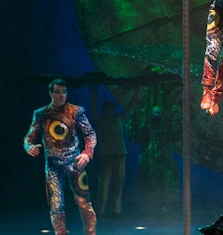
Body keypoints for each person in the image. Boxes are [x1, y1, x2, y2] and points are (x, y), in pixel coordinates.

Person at [23, 79, 97, 235]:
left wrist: (87, 153)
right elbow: (29, 138)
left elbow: (90, 134)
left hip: (75, 162)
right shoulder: (41, 114)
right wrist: (29, 147)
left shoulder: (76, 111)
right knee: (56, 205)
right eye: (57, 92)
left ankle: (90, 233)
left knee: (84, 202)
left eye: (64, 92)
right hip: (53, 166)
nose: (61, 95)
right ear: (50, 93)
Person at [90, 86, 140, 217]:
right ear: (105, 111)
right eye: (109, 109)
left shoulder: (118, 119)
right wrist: (95, 93)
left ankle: (116, 210)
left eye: (112, 109)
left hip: (119, 155)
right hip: (107, 155)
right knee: (104, 185)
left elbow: (131, 106)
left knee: (119, 183)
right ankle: (100, 210)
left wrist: (137, 89)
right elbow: (94, 108)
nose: (111, 111)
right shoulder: (101, 121)